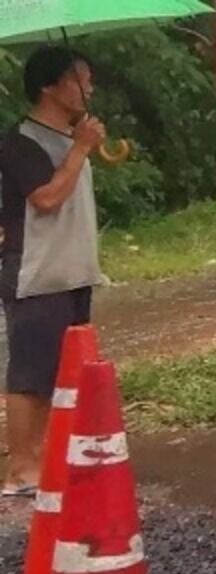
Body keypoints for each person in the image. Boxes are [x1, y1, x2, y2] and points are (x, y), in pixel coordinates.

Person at [0, 47, 106, 496]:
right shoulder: (23, 141)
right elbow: (45, 199)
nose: (89, 87)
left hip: (72, 272)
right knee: (30, 372)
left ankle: (41, 457)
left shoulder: (67, 138)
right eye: (80, 78)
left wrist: (81, 146)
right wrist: (82, 148)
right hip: (36, 272)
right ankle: (20, 468)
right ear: (49, 86)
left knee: (57, 372)